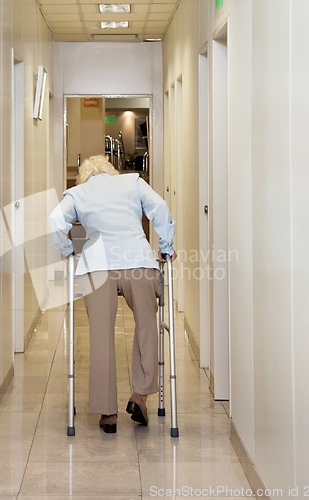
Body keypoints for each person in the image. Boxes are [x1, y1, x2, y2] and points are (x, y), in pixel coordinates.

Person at [49, 155, 176, 433]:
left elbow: (55, 219)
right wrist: (166, 245)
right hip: (137, 263)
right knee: (146, 325)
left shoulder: (77, 193)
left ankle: (108, 414)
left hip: (97, 267)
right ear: (111, 172)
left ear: (83, 176)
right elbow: (160, 207)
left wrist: (67, 250)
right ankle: (140, 396)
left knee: (101, 335)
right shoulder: (132, 182)